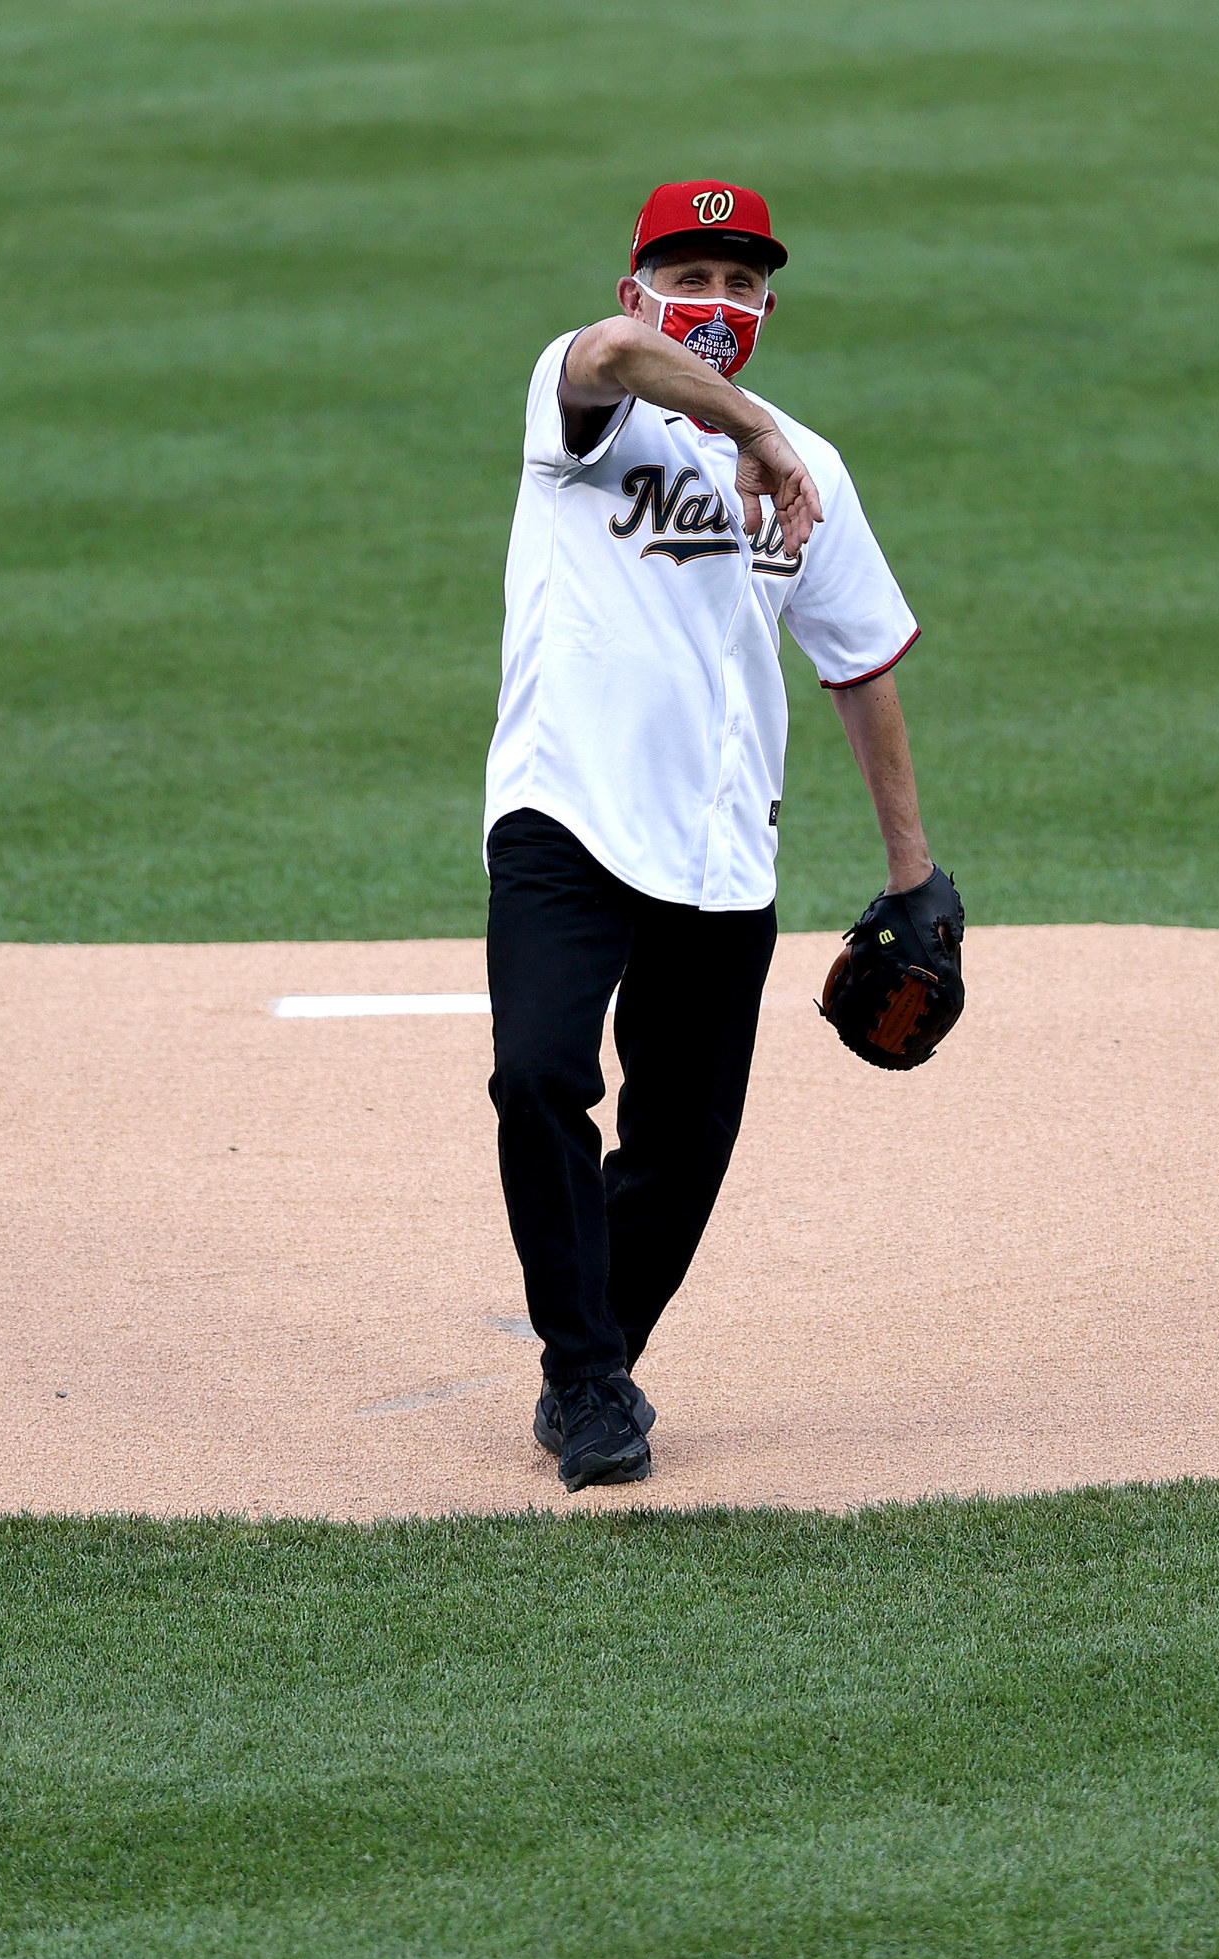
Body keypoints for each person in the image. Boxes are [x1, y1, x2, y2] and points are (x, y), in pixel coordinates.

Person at [485, 180, 941, 1489]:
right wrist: (747, 426)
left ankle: (594, 1359)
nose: (718, 304)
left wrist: (916, 876)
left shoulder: (814, 472)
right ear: (636, 288)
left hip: (723, 849)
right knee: (539, 1079)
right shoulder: (584, 406)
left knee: (681, 1151)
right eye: (693, 276)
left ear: (771, 309)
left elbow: (861, 663)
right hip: (563, 815)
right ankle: (585, 1385)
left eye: (744, 287)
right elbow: (622, 361)